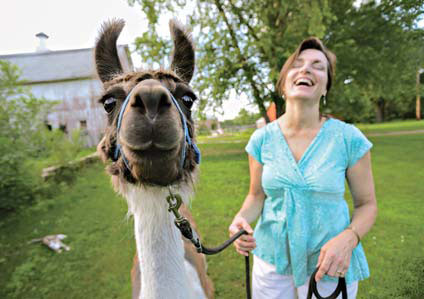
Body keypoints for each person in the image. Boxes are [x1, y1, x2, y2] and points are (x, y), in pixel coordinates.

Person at [229, 37, 377, 299]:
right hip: (271, 263)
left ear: (326, 88)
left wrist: (349, 238)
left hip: (328, 265)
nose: (306, 69)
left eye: (318, 66)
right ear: (284, 82)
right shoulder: (261, 140)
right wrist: (241, 220)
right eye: (297, 64)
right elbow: (256, 196)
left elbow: (367, 205)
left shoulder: (348, 139)